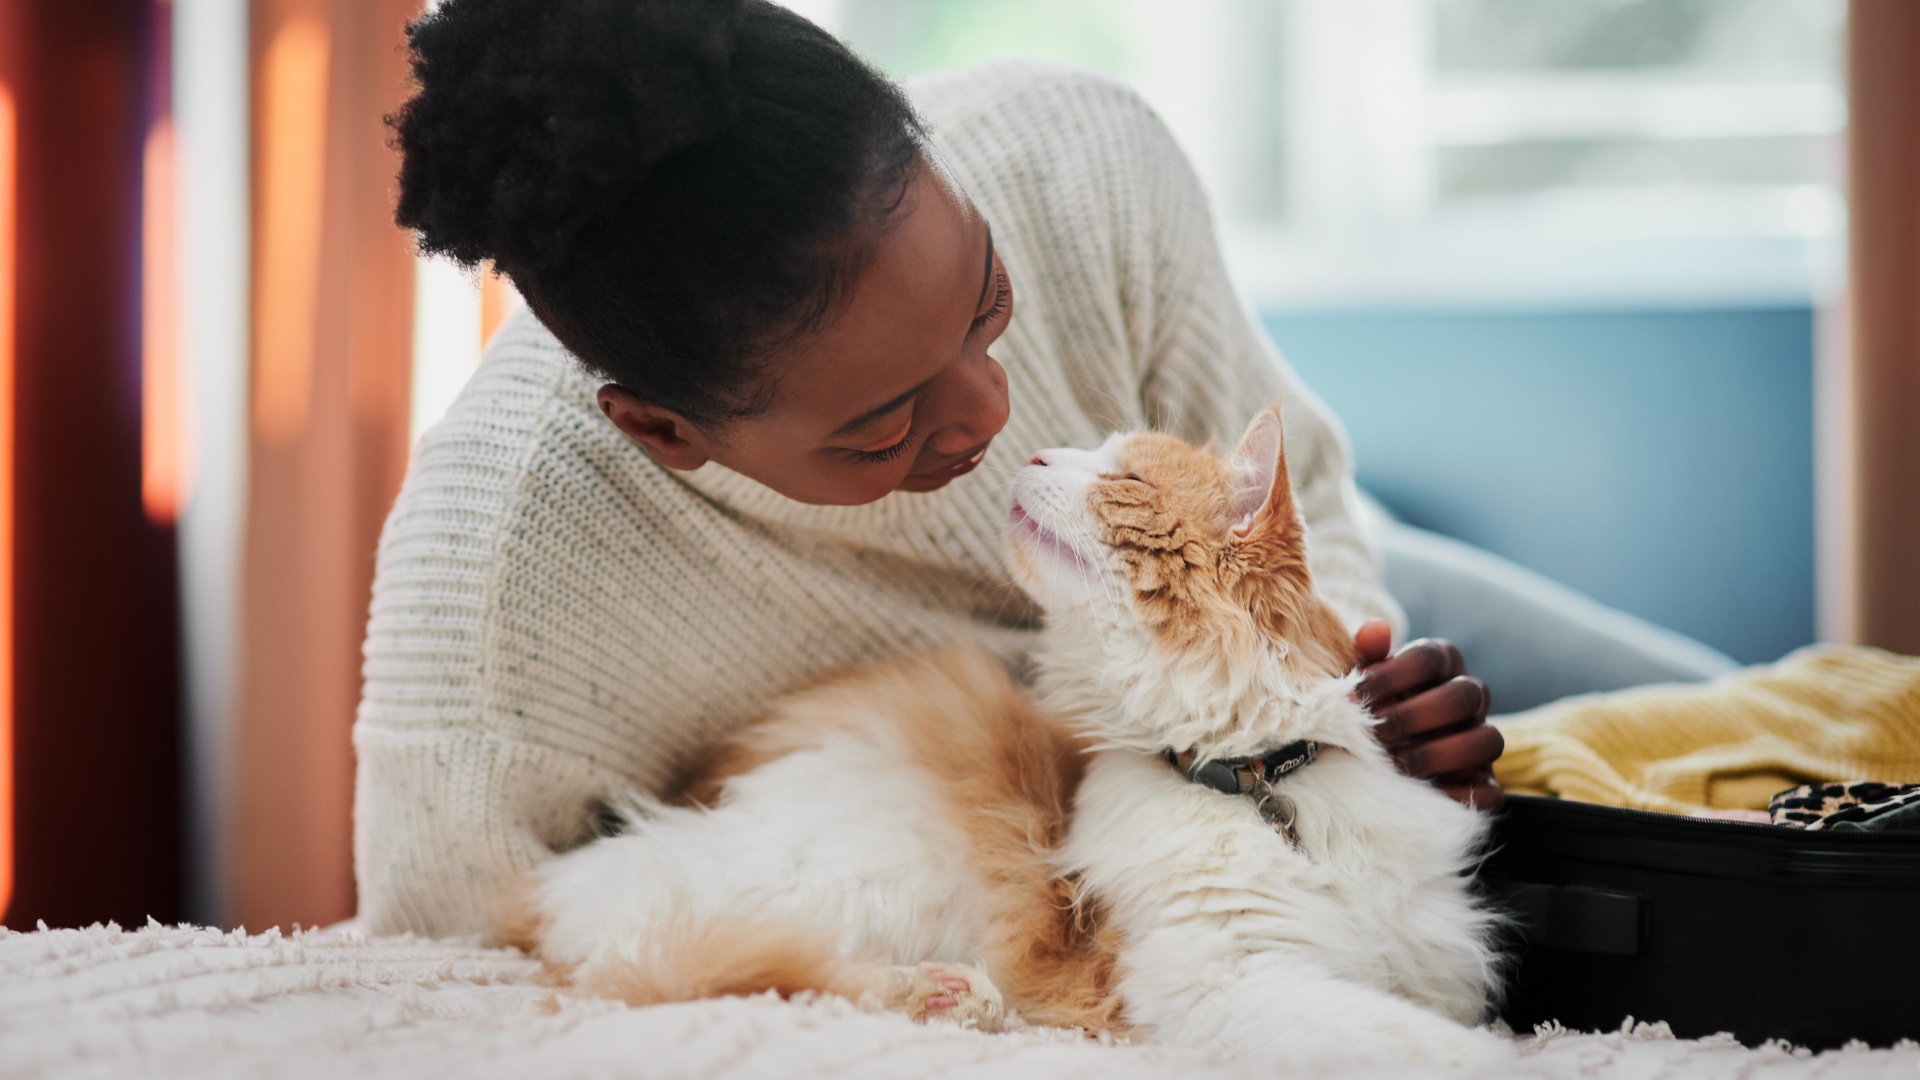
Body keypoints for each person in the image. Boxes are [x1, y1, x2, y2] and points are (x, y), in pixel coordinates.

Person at [361, 0, 1501, 938]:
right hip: (1038, 839)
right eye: (882, 427)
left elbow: (1307, 520)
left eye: (987, 301)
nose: (989, 413)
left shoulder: (1083, 158)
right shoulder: (494, 590)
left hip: (1287, 647)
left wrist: (1349, 703)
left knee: (1674, 718)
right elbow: (459, 969)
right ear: (664, 432)